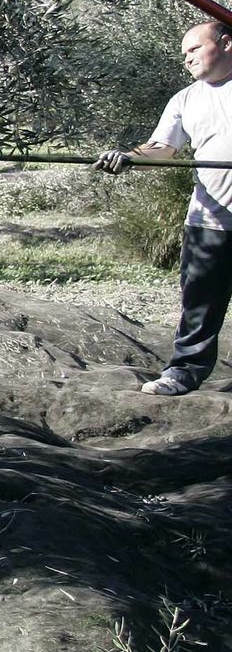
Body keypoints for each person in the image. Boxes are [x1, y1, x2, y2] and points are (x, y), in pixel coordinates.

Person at [96, 20, 232, 396]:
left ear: (226, 43)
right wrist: (127, 157)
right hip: (210, 220)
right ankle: (184, 372)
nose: (186, 58)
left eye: (194, 49)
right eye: (183, 53)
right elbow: (162, 148)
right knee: (199, 304)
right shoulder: (186, 99)